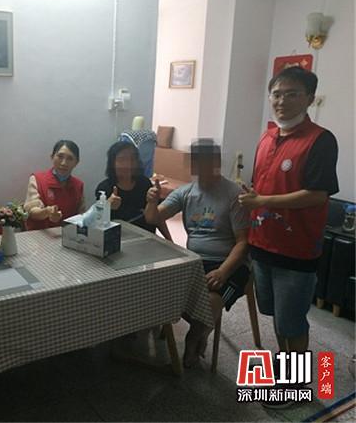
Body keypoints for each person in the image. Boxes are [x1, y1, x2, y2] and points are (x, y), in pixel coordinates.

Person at [238, 67, 338, 370]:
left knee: (292, 322)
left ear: (309, 98)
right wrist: (251, 196)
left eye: (292, 94)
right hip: (261, 243)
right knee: (276, 316)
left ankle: (295, 379)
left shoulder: (320, 140)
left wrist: (262, 201)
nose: (282, 101)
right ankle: (285, 365)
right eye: (276, 94)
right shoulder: (267, 137)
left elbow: (317, 194)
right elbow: (261, 185)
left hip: (296, 250)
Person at [145, 139, 250, 368]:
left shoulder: (234, 194)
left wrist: (223, 271)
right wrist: (152, 200)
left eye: (207, 161)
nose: (201, 166)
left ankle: (194, 337)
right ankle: (202, 330)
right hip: (194, 260)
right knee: (162, 287)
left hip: (230, 263)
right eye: (197, 161)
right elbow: (153, 217)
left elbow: (243, 243)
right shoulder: (186, 192)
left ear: (217, 162)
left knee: (211, 300)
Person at [95, 141, 171, 239]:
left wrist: (169, 240)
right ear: (112, 163)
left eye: (132, 159)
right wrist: (107, 206)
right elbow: (96, 223)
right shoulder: (104, 188)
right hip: (118, 241)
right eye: (122, 159)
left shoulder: (144, 183)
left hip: (146, 239)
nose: (128, 164)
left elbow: (156, 217)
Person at [24, 140, 85, 230]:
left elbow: (81, 215)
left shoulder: (78, 185)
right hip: (39, 234)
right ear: (52, 157)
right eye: (60, 156)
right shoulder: (37, 179)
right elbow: (31, 211)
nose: (64, 163)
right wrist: (47, 212)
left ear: (76, 162)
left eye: (70, 158)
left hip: (68, 234)